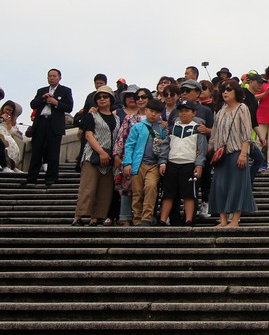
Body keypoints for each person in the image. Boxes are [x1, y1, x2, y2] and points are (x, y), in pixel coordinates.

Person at [208, 82, 256, 227]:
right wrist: (209, 149)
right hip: (221, 153)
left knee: (237, 186)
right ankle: (223, 220)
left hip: (236, 151)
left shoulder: (242, 108)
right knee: (219, 186)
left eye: (229, 89)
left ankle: (235, 220)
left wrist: (243, 153)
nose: (225, 92)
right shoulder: (220, 111)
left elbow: (247, 132)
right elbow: (215, 133)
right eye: (223, 90)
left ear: (236, 91)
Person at [73, 86, 118, 227]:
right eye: (99, 97)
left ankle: (96, 217)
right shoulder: (91, 115)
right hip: (92, 155)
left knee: (105, 190)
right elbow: (88, 135)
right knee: (88, 187)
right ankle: (78, 216)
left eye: (105, 96)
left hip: (109, 158)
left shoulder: (116, 118)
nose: (102, 99)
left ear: (111, 99)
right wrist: (101, 152)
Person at [159, 100, 207, 227]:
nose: (183, 114)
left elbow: (202, 149)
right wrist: (163, 162)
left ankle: (189, 219)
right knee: (168, 193)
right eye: (181, 111)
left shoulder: (198, 128)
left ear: (193, 113)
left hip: (189, 163)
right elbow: (165, 145)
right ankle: (163, 219)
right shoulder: (173, 127)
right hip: (172, 162)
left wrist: (199, 164)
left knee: (189, 194)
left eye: (187, 111)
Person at [122, 98, 168, 226]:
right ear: (146, 110)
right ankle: (137, 218)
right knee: (137, 192)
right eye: (151, 111)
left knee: (151, 187)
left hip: (154, 164)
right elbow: (129, 145)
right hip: (139, 163)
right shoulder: (138, 127)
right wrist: (127, 163)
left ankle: (146, 218)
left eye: (157, 112)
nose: (153, 114)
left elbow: (166, 145)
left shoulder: (163, 128)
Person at [25, 68, 73, 187]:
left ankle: (51, 177)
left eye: (54, 76)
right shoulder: (42, 90)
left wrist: (55, 102)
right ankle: (31, 177)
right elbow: (33, 104)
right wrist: (43, 98)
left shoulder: (65, 90)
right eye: (49, 76)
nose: (51, 78)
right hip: (40, 122)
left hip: (54, 123)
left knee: (53, 151)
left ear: (59, 78)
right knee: (37, 151)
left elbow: (69, 107)